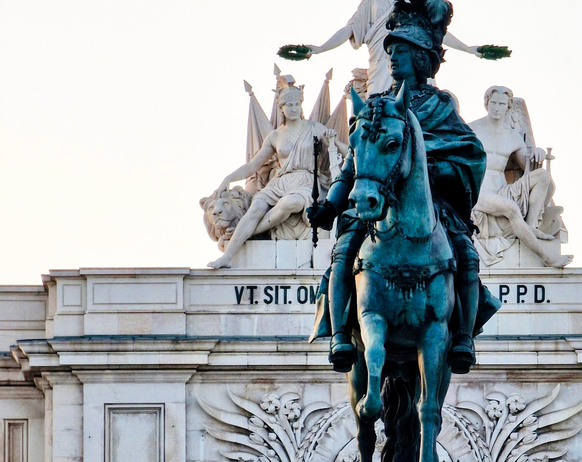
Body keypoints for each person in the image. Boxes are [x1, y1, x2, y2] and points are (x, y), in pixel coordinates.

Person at [309, 0, 498, 375]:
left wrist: (432, 169)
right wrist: (331, 205)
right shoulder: (377, 105)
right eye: (391, 51)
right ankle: (340, 334)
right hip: (376, 203)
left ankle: (463, 336)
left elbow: (470, 154)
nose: (393, 58)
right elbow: (352, 164)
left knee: (467, 255)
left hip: (433, 205)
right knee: (344, 251)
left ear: (423, 59)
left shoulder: (441, 104)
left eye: (403, 52)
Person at [208, 81, 347, 268]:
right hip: (280, 183)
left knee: (291, 203)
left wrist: (334, 140)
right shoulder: (275, 136)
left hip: (305, 181)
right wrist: (228, 178)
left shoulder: (314, 128)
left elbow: (346, 152)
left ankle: (249, 234)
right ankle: (228, 256)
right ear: (281, 108)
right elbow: (253, 165)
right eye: (289, 105)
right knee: (256, 207)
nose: (294, 108)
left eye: (297, 104)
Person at [469, 86, 573, 267]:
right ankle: (547, 256)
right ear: (486, 104)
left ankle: (531, 225)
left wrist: (538, 153)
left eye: (501, 104)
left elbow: (528, 168)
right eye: (493, 103)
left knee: (542, 176)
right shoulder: (472, 129)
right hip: (479, 192)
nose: (496, 108)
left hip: (501, 191)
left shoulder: (512, 136)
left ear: (508, 107)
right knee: (510, 208)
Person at [300, 0, 483, 96]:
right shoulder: (372, 2)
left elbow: (436, 31)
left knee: (420, 106)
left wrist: (467, 49)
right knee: (376, 114)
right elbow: (350, 29)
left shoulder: (416, 2)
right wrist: (320, 48)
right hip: (382, 65)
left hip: (414, 64)